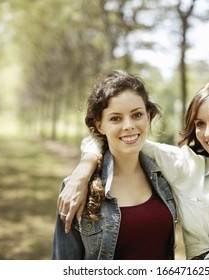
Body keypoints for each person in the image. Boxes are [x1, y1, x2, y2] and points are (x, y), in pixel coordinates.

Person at [59, 79, 209, 260]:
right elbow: (118, 139)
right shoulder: (186, 167)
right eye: (200, 124)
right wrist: (83, 169)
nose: (208, 133)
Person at [52, 70, 177, 260]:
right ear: (100, 124)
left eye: (136, 115)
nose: (128, 125)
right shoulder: (76, 188)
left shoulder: (166, 176)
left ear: (148, 116)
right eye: (115, 118)